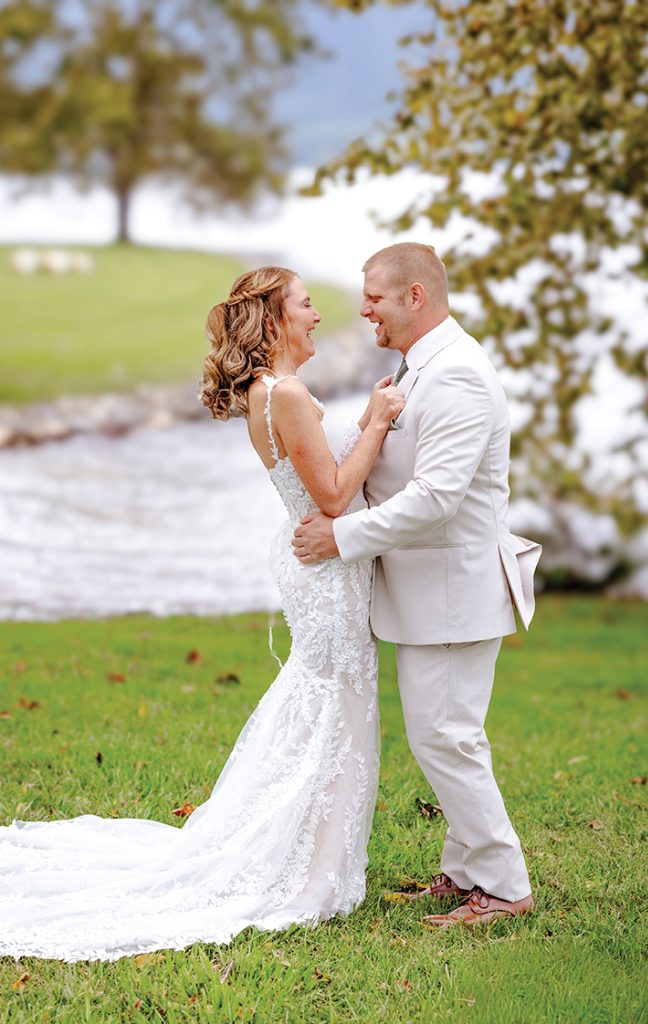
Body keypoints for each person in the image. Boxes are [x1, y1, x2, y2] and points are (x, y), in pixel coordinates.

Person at [0, 266, 404, 962]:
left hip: (316, 563)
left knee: (324, 703)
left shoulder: (270, 393)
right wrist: (375, 422)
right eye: (307, 306)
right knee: (331, 705)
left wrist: (364, 428)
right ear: (275, 321)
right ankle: (303, 867)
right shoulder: (291, 396)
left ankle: (315, 855)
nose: (317, 316)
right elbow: (335, 498)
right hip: (324, 567)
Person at [293, 243, 542, 927]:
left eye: (373, 295)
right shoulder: (423, 364)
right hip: (431, 590)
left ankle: (503, 886)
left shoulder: (456, 374)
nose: (362, 307)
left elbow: (435, 497)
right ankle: (463, 873)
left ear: (414, 299)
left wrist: (339, 537)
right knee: (444, 733)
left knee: (446, 738)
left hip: (456, 590)